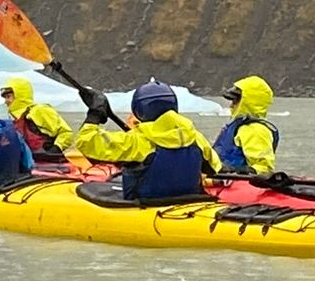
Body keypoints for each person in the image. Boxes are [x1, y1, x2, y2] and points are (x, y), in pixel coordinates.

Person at [64, 80, 222, 201]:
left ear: (139, 110)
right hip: (189, 200)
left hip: (147, 203)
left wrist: (94, 115)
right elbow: (213, 169)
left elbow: (86, 143)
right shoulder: (195, 137)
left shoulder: (137, 141)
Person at [212, 76, 280, 176]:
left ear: (247, 101)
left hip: (237, 184)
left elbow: (263, 167)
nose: (231, 106)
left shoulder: (255, 130)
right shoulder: (236, 126)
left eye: (235, 101)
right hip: (222, 181)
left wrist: (241, 170)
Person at [0, 77, 74, 162]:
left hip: (52, 165)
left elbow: (66, 133)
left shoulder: (39, 111)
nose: (6, 101)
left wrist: (56, 148)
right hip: (31, 166)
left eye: (8, 97)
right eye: (5, 98)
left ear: (19, 95)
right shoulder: (15, 121)